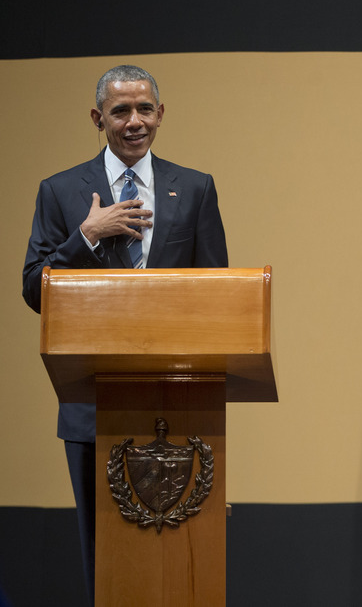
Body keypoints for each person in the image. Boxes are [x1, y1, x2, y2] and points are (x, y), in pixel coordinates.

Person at [22, 65, 228, 605]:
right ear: (98, 118)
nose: (134, 121)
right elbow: (33, 290)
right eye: (120, 111)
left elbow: (216, 299)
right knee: (106, 559)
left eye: (144, 109)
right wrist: (85, 237)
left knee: (181, 557)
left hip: (181, 401)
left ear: (160, 114)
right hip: (92, 405)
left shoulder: (196, 188)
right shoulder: (62, 192)